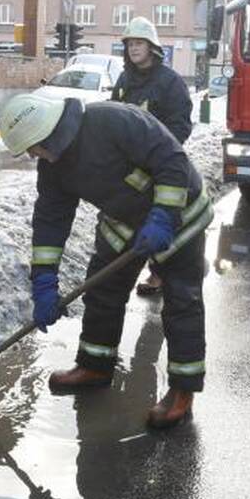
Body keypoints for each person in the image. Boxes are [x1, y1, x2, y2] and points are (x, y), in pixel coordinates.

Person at [0, 93, 212, 428]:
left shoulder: (114, 121)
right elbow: (51, 220)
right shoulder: (53, 166)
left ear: (48, 135)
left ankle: (183, 389)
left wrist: (163, 215)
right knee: (102, 293)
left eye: (32, 148)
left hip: (178, 215)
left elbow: (172, 161)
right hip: (124, 222)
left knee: (182, 302)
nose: (31, 155)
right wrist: (44, 281)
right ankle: (94, 365)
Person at [110, 16, 193, 297]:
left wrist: (161, 155)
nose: (133, 48)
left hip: (161, 165)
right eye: (130, 44)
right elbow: (114, 114)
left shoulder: (170, 82)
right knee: (133, 218)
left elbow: (180, 125)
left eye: (139, 43)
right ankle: (135, 267)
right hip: (130, 166)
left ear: (152, 47)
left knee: (163, 217)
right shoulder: (124, 80)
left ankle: (162, 272)